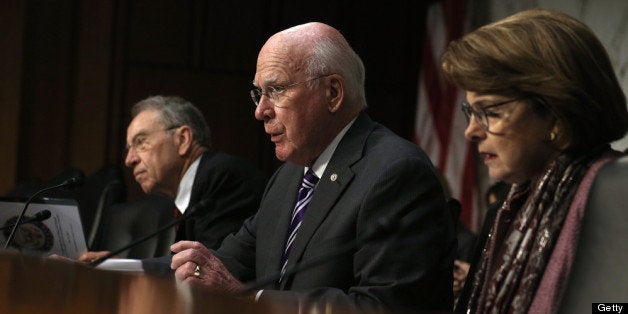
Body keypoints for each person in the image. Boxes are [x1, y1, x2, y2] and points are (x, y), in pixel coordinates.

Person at [169, 22, 456, 312]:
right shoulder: (290, 176)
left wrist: (249, 300)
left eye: (277, 89)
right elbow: (225, 263)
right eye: (259, 94)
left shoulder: (396, 173)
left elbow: (381, 307)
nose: (260, 111)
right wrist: (139, 269)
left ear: (332, 92)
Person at [441, 8, 628, 313]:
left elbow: (614, 307)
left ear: (556, 112)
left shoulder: (615, 191)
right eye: (471, 112)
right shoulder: (503, 212)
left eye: (491, 113)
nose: (471, 131)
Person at [79, 95, 267, 263]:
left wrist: (125, 268)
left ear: (183, 139)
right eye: (128, 149)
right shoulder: (190, 195)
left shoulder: (223, 176)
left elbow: (206, 265)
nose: (129, 160)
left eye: (140, 142)